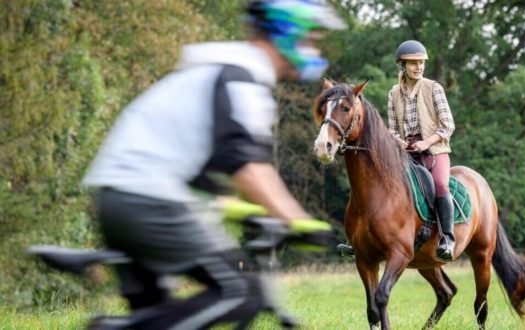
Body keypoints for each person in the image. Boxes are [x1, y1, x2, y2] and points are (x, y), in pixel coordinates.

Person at [81, 0, 345, 328]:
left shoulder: (215, 69)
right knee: (242, 291)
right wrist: (296, 220)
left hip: (116, 198)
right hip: (151, 201)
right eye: (310, 38)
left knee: (161, 314)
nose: (313, 48)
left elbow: (197, 156)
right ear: (285, 31)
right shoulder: (243, 78)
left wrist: (233, 206)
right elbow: (247, 166)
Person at [337, 40, 456, 262]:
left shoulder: (434, 88)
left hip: (434, 150)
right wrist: (398, 141)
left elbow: (448, 125)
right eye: (413, 63)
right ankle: (358, 238)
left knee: (440, 184)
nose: (419, 67)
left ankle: (447, 238)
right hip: (405, 153)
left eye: (421, 63)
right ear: (403, 65)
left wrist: (427, 142)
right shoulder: (393, 93)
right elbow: (391, 128)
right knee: (374, 181)